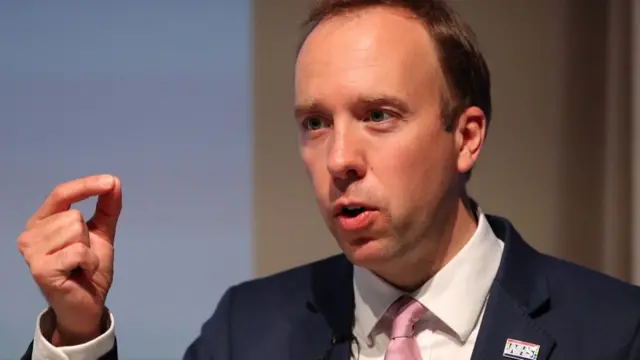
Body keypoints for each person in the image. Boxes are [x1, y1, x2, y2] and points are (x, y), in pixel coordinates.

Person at [18, 0, 640, 359]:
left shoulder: (615, 330)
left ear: (466, 137)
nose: (340, 157)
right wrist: (78, 330)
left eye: (378, 115)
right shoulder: (248, 329)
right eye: (316, 122)